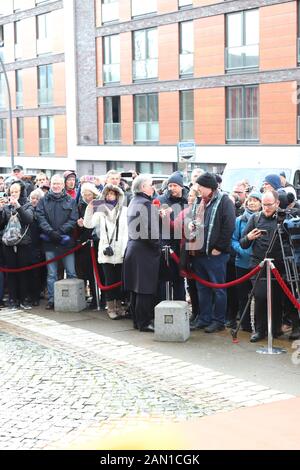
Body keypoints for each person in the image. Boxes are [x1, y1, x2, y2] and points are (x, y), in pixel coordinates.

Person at [189, 172, 236, 333]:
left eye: (200, 186)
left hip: (216, 254)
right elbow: (193, 220)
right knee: (202, 289)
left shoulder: (224, 201)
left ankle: (218, 321)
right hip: (199, 252)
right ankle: (204, 318)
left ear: (209, 187)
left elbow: (228, 226)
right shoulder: (198, 201)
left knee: (218, 289)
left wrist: (220, 248)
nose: (198, 189)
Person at [240, 190, 284, 342]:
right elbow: (243, 243)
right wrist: (249, 237)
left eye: (269, 205)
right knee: (259, 297)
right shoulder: (255, 217)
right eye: (263, 205)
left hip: (279, 265)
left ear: (277, 203)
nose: (266, 208)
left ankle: (276, 328)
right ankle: (259, 330)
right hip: (258, 264)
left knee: (276, 297)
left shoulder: (283, 218)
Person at [123, 174, 161, 332]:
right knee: (145, 289)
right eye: (151, 184)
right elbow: (149, 231)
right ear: (143, 187)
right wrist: (157, 245)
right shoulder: (146, 203)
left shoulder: (133, 201)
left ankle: (137, 321)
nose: (153, 187)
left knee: (136, 289)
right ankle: (144, 322)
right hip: (144, 251)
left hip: (134, 248)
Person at [84, 184, 128, 319]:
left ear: (118, 196)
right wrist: (89, 209)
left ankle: (119, 307)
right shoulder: (101, 211)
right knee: (109, 281)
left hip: (120, 249)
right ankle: (111, 308)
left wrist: (125, 250)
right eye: (108, 194)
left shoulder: (125, 211)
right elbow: (88, 224)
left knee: (120, 281)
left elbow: (128, 230)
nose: (110, 196)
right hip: (106, 251)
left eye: (112, 194)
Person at [36, 174, 78, 310]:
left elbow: (73, 219)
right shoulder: (43, 200)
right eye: (54, 183)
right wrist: (51, 232)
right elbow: (40, 217)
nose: (56, 186)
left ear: (63, 184)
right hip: (49, 242)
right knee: (51, 274)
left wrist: (60, 232)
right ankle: (52, 300)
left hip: (66, 242)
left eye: (59, 183)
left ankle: (73, 299)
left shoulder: (70, 200)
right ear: (50, 184)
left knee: (71, 272)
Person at [231, 191, 262, 332]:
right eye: (250, 200)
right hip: (241, 263)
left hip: (259, 265)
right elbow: (233, 240)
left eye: (256, 200)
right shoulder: (239, 220)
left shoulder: (263, 219)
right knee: (243, 296)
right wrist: (242, 251)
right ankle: (245, 325)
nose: (252, 202)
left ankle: (259, 326)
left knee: (260, 297)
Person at [0, 180, 34, 309]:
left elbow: (28, 219)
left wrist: (18, 207)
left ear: (21, 192)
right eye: (11, 191)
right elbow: (1, 224)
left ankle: (24, 298)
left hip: (23, 243)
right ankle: (13, 299)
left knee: (24, 272)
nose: (13, 194)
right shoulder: (6, 207)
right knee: (12, 272)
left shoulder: (28, 205)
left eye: (16, 191)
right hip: (8, 244)